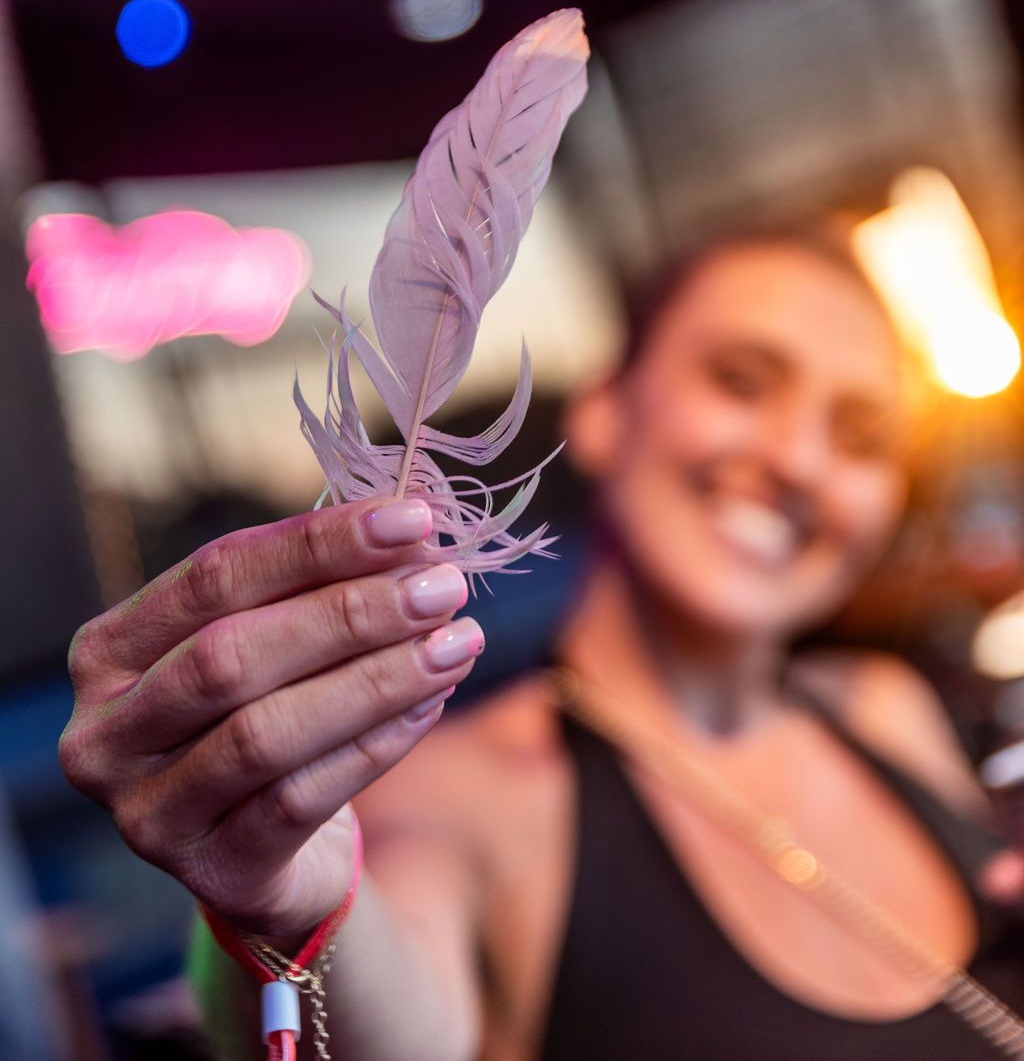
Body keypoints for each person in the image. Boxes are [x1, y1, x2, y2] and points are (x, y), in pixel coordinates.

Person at [59, 229, 1024, 1061]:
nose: (799, 459)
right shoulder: (461, 798)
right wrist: (280, 901)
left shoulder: (887, 707)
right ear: (605, 413)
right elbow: (387, 1017)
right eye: (740, 381)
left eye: (860, 436)